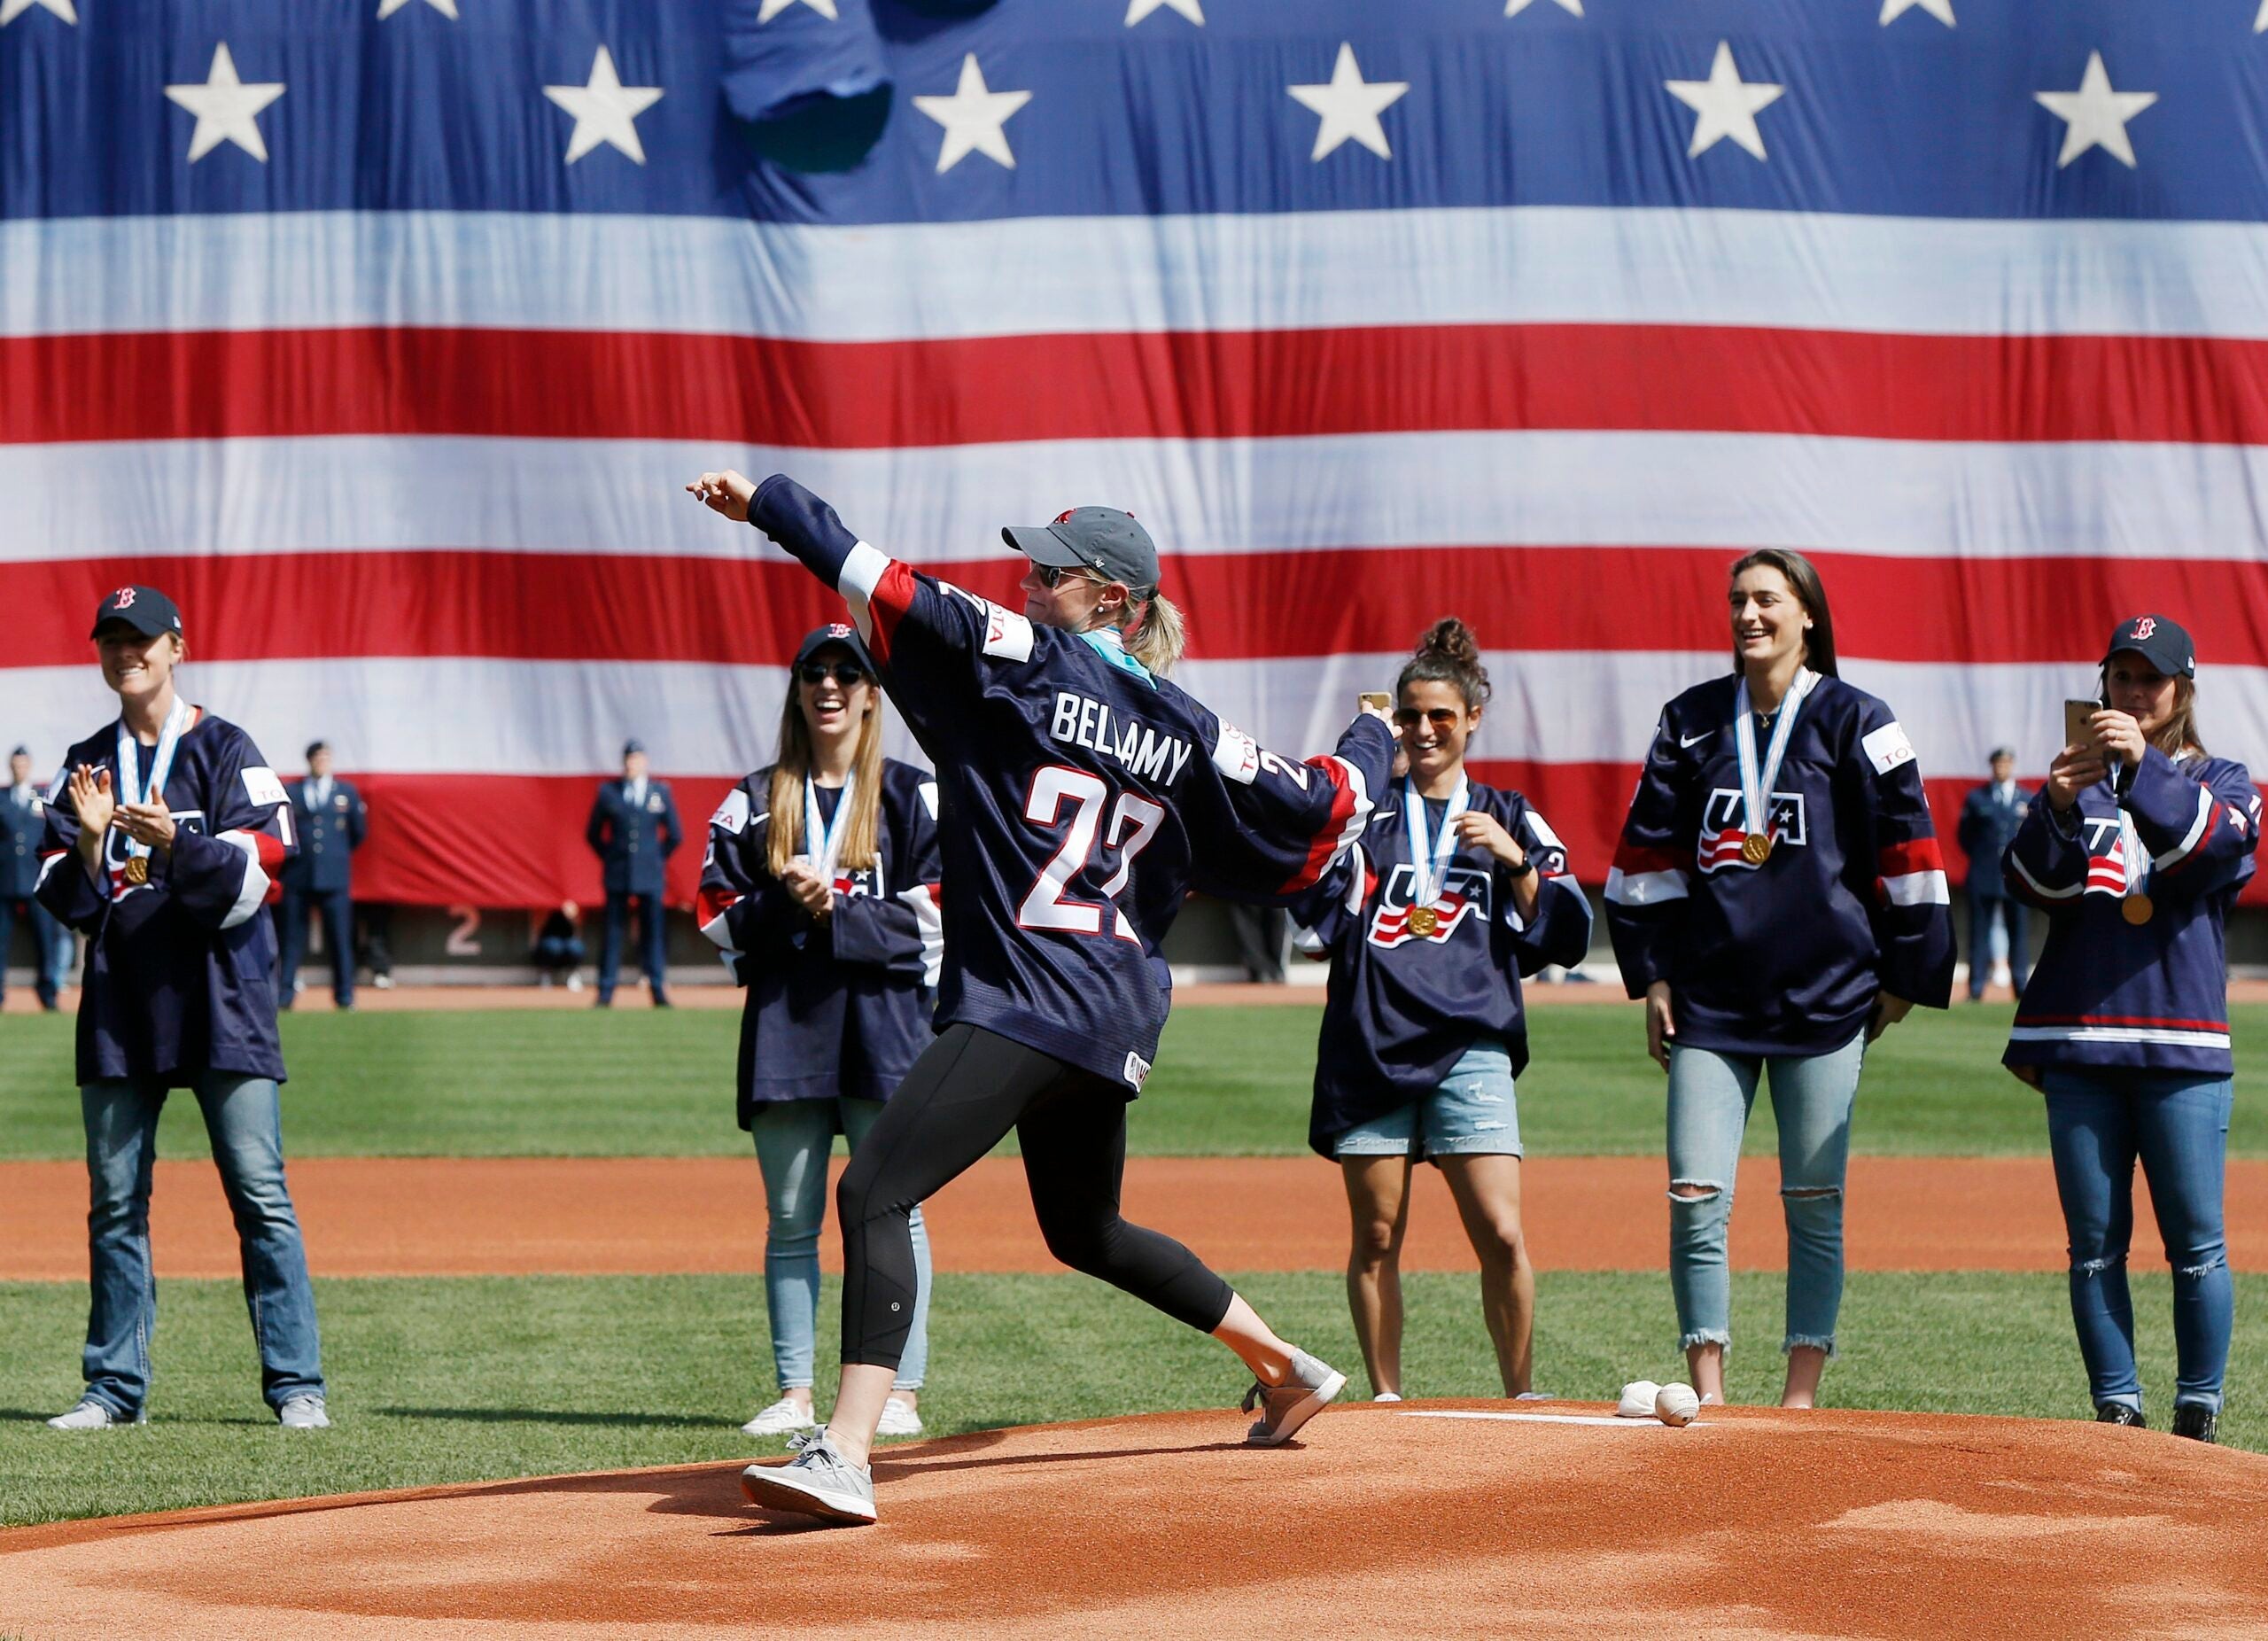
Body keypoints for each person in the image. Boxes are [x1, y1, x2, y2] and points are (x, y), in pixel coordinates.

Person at [688, 468, 1393, 1527]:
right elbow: (1317, 801)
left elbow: (879, 576)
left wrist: (770, 505)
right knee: (1086, 1229)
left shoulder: (1030, 662)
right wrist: (1372, 734)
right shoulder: (1191, 728)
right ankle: (1285, 1363)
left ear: (1112, 597)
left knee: (873, 1187)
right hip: (1112, 1006)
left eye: (1049, 570)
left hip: (1028, 995)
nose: (1026, 580)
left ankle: (843, 1450)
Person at [1604, 549, 1953, 1409]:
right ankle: (1710, 1388)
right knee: (1693, 1195)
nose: (1748, 614)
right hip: (1710, 1001)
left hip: (1826, 999)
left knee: (1813, 1199)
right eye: (1737, 600)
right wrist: (1651, 975)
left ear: (1808, 614)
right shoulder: (1688, 721)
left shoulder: (1859, 719)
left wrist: (1906, 973)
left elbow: (1910, 848)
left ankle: (1800, 1396)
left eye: (1767, 598)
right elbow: (1645, 855)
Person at [35, 586, 328, 1430]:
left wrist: (179, 843)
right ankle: (112, 1389)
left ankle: (296, 1386)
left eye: (141, 640)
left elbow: (266, 863)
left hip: (220, 1001)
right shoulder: (85, 760)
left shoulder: (227, 748)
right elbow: (62, 891)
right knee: (115, 1199)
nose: (126, 654)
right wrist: (92, 841)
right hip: (122, 1009)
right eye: (111, 641)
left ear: (176, 647)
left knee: (259, 1193)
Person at [1290, 618, 1591, 1402]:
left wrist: (1515, 858)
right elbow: (1307, 899)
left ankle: (1521, 1391)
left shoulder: (1510, 812)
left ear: (1471, 720)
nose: (1425, 731)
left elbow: (1570, 929)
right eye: (1411, 716)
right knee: (1378, 1236)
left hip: (1470, 1043)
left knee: (1500, 1231)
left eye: (1441, 717)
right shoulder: (1368, 813)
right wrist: (1349, 790)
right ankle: (1387, 1398)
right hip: (1371, 1041)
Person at [2001, 614, 2257, 1443]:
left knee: (2198, 1243)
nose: (2135, 693)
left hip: (2182, 1043)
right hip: (2079, 1040)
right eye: (2122, 677)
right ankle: (2117, 1407)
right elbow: (2030, 884)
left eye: (2152, 679)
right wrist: (2058, 803)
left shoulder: (2226, 777)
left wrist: (2142, 768)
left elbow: (2210, 851)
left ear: (2182, 690)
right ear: (2101, 683)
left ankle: (2199, 1408)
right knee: (2094, 1246)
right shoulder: (2076, 783)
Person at [698, 623, 944, 1443]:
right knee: (793, 1218)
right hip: (787, 1031)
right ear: (798, 687)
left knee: (895, 1212)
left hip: (887, 1033)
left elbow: (948, 917)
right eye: (816, 671)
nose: (830, 685)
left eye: (849, 671)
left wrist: (840, 906)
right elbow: (713, 914)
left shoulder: (915, 795)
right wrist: (785, 901)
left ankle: (901, 1392)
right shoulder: (753, 797)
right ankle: (795, 1393)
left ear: (874, 693)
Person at [586, 740, 681, 1007]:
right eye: (628, 759)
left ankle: (657, 990)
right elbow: (592, 833)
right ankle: (605, 992)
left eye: (637, 759)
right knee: (613, 933)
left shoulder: (659, 792)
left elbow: (675, 835)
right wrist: (610, 857)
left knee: (653, 934)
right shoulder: (609, 792)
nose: (632, 764)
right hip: (618, 874)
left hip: (650, 875)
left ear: (645, 762)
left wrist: (656, 859)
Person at [278, 741, 367, 1011]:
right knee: (291, 939)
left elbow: (357, 833)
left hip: (334, 877)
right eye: (318, 757)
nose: (322, 761)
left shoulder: (346, 792)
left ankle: (344, 996)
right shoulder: (293, 791)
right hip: (299, 876)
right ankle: (285, 995)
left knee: (340, 939)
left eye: (326, 756)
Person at [1958, 746, 2031, 1000]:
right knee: (1979, 933)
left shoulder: (2026, 798)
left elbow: (2032, 837)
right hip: (1983, 874)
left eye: (2006, 763)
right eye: (1998, 764)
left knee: (2018, 934)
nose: (2002, 768)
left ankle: (2020, 986)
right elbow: (1965, 837)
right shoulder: (1977, 798)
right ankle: (1976, 987)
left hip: (2016, 877)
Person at [4, 745, 74, 1010]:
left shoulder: (42, 797)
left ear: (29, 766)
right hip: (6, 883)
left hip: (36, 883)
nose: (19, 768)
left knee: (46, 943)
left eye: (23, 764)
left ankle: (48, 994)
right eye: (15, 764)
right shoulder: (2, 798)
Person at [530, 901, 586, 990]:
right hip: (548, 940)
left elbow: (578, 932)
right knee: (553, 946)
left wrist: (571, 916)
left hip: (567, 939)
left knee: (575, 947)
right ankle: (546, 973)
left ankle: (572, 974)